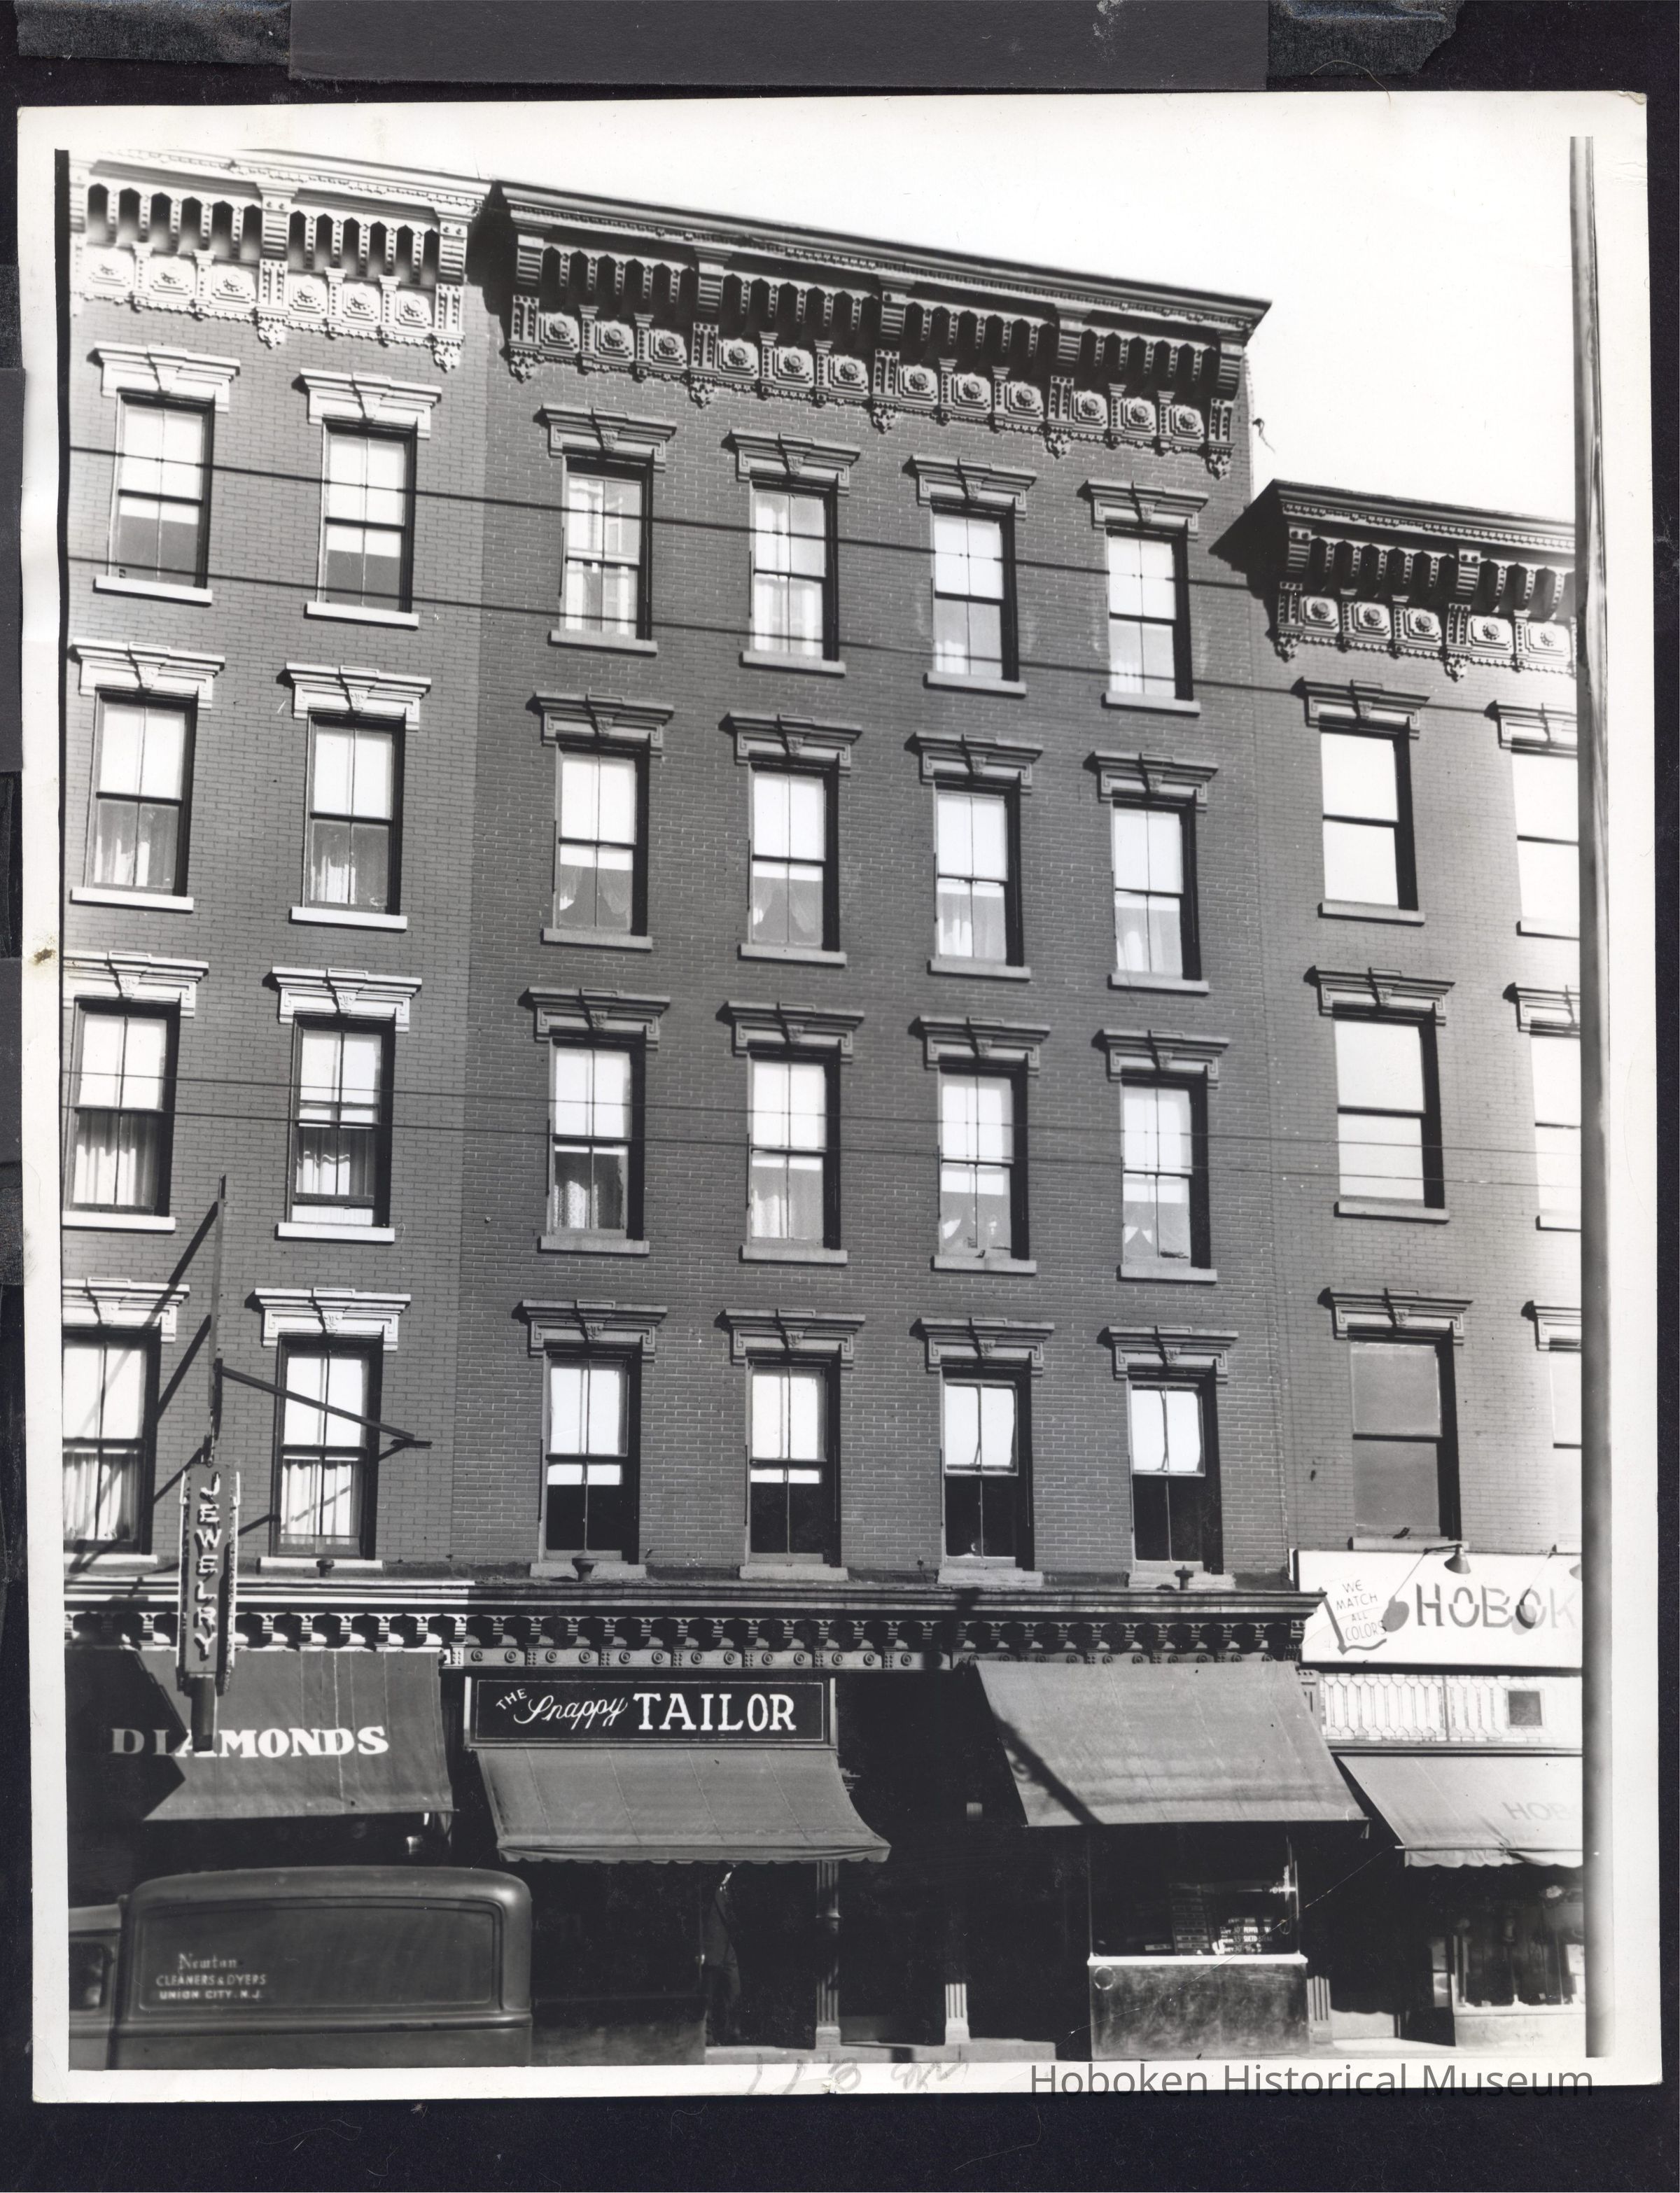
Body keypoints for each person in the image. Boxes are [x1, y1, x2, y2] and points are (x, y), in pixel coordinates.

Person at [701, 1866, 741, 2047]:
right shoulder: (709, 1889)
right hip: (711, 1949)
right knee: (708, 1997)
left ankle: (732, 2033)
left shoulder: (730, 1889)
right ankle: (706, 2036)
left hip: (728, 1950)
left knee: (734, 1991)